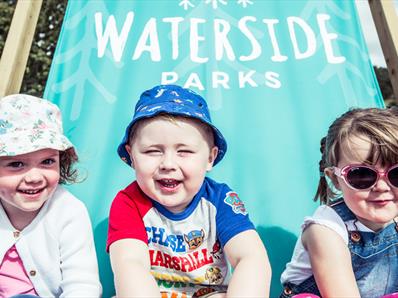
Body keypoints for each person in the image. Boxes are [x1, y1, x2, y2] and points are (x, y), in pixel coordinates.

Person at [107, 84, 271, 298]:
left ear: (210, 158)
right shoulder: (128, 203)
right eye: (152, 151)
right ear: (132, 156)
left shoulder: (220, 200)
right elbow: (130, 265)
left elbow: (250, 258)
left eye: (184, 151)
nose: (168, 163)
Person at [280, 108, 398, 298]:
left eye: (396, 173)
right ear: (335, 179)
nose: (382, 187)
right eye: (361, 175)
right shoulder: (325, 231)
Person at [0, 94, 102, 297]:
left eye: (47, 162)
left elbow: (83, 286)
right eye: (16, 164)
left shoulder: (68, 211)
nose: (35, 177)